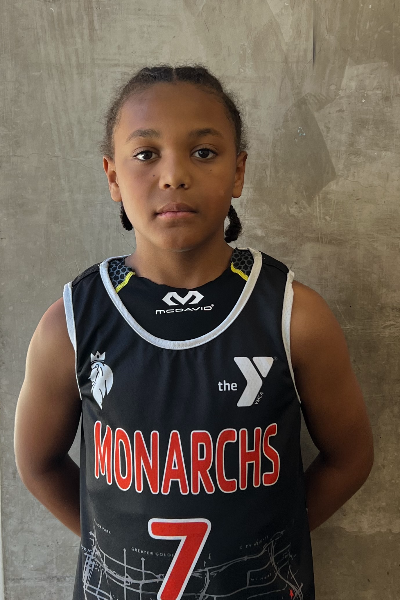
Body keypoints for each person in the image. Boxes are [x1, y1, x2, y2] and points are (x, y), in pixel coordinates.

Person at [14, 64, 373, 600]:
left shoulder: (293, 315)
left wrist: (272, 542)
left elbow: (350, 457)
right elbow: (38, 464)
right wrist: (107, 547)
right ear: (112, 177)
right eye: (146, 154)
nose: (174, 175)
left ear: (238, 171)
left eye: (203, 152)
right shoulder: (71, 323)